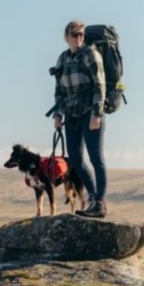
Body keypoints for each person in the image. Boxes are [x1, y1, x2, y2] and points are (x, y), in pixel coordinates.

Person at [51, 19, 108, 218]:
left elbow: (100, 85)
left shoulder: (91, 54)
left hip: (90, 112)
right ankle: (92, 198)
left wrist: (96, 114)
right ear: (66, 37)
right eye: (75, 34)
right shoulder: (62, 58)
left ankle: (100, 203)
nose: (78, 38)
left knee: (96, 158)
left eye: (81, 34)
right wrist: (58, 115)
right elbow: (59, 90)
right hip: (71, 114)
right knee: (74, 158)